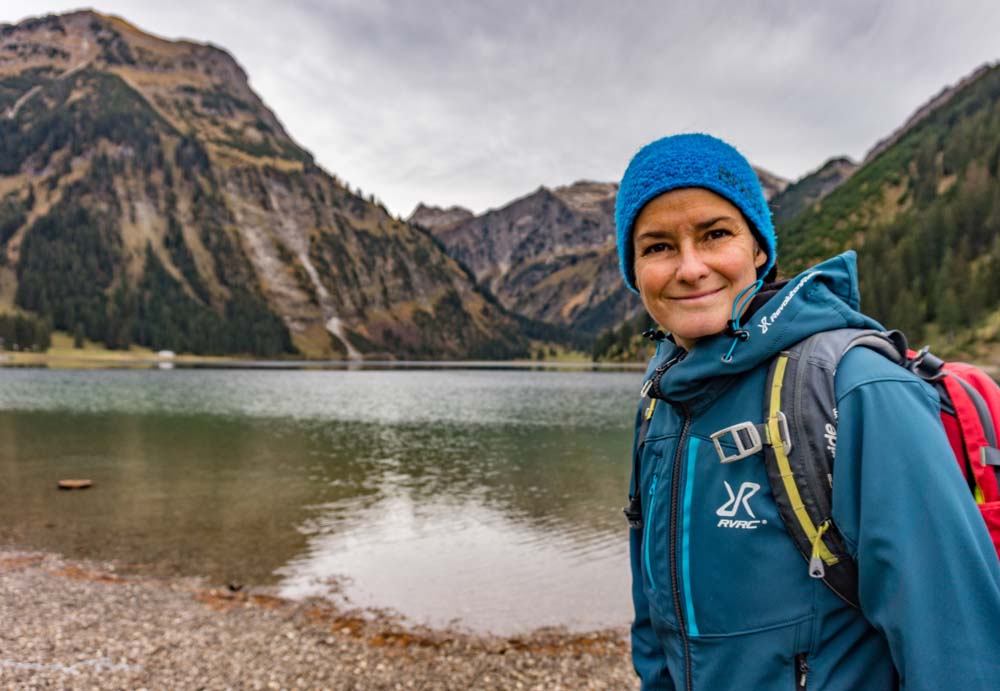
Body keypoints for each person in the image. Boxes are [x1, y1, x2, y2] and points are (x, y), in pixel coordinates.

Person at [614, 133, 1000, 690]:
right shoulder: (661, 403)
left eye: (715, 234)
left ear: (760, 250)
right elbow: (655, 624)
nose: (690, 267)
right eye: (657, 246)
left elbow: (960, 651)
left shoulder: (857, 388)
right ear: (635, 269)